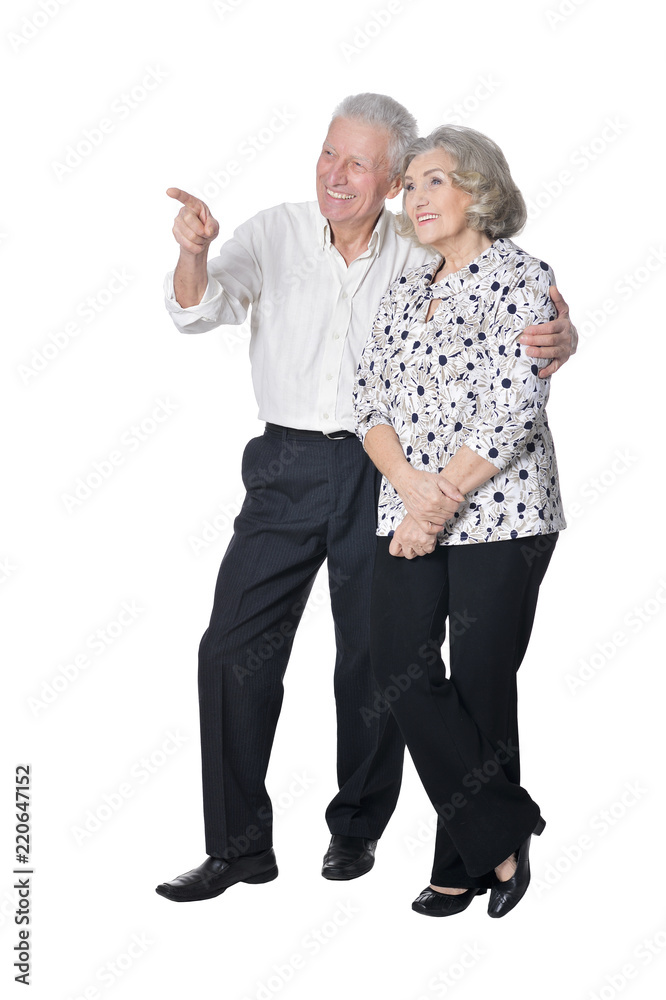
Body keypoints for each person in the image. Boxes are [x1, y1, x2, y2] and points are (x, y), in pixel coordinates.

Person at [155, 96, 576, 903]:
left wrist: (566, 336)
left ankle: (358, 830)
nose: (335, 176)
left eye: (360, 165)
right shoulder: (278, 233)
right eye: (327, 156)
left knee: (373, 663)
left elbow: (516, 330)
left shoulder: (416, 249)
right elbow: (196, 310)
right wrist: (195, 254)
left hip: (387, 474)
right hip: (288, 463)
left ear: (389, 182)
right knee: (232, 649)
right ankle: (239, 849)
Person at [353, 124, 567, 918]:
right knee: (396, 669)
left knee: (479, 684)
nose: (416, 198)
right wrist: (410, 487)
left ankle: (464, 860)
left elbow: (516, 404)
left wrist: (437, 499)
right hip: (410, 504)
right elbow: (368, 401)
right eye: (409, 187)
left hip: (504, 514)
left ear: (478, 188)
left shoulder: (523, 277)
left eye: (434, 181)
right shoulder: (407, 287)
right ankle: (503, 829)